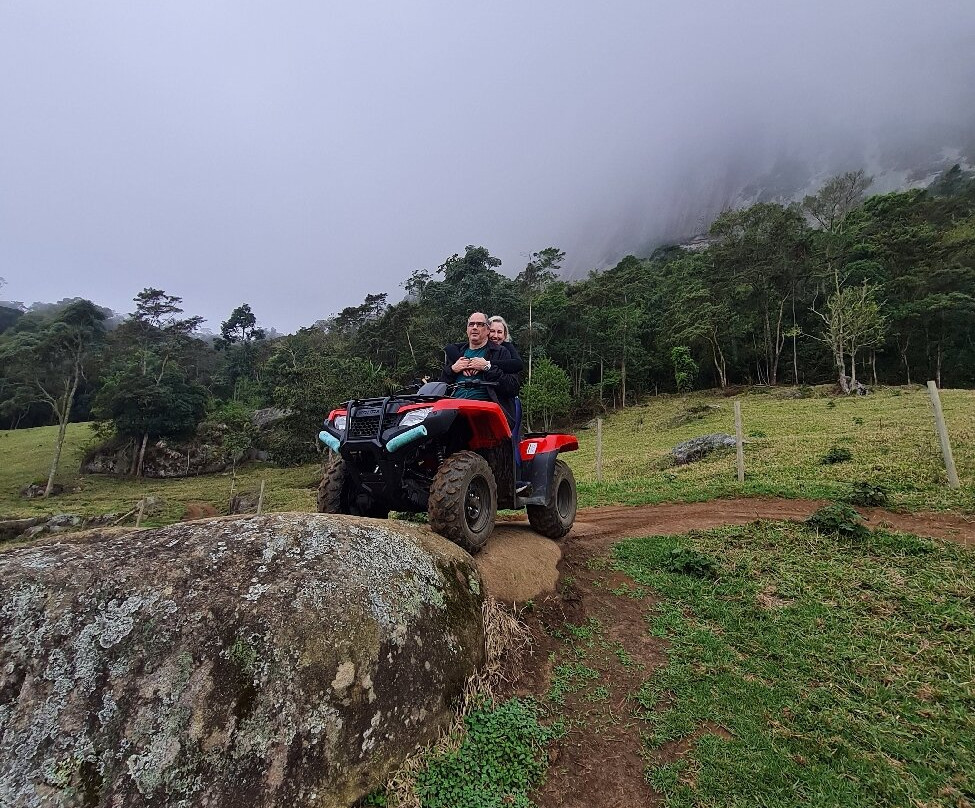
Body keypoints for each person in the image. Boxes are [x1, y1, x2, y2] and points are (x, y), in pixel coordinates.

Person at [440, 312, 519, 420]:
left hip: (486, 414)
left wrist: (487, 367)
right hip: (453, 411)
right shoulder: (457, 354)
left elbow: (512, 388)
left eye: (479, 324)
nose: (475, 327)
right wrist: (453, 370)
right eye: (471, 324)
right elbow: (441, 385)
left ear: (487, 330)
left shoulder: (500, 352)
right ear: (467, 330)